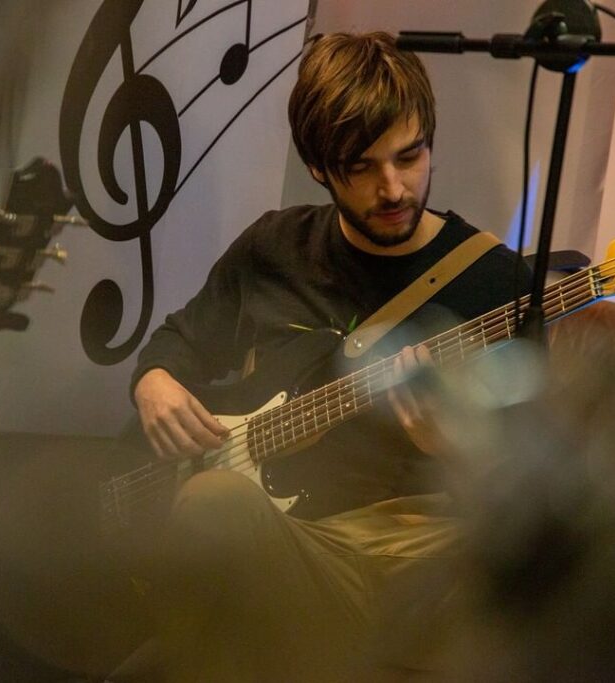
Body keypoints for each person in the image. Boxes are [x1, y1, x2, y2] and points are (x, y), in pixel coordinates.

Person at [119, 31, 531, 681]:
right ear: (318, 166)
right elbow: (180, 339)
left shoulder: (497, 284)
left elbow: (538, 484)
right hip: (278, 541)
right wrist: (155, 382)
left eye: (410, 155)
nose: (393, 187)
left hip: (395, 565)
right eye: (362, 167)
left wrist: (454, 443)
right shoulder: (275, 247)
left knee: (214, 513)